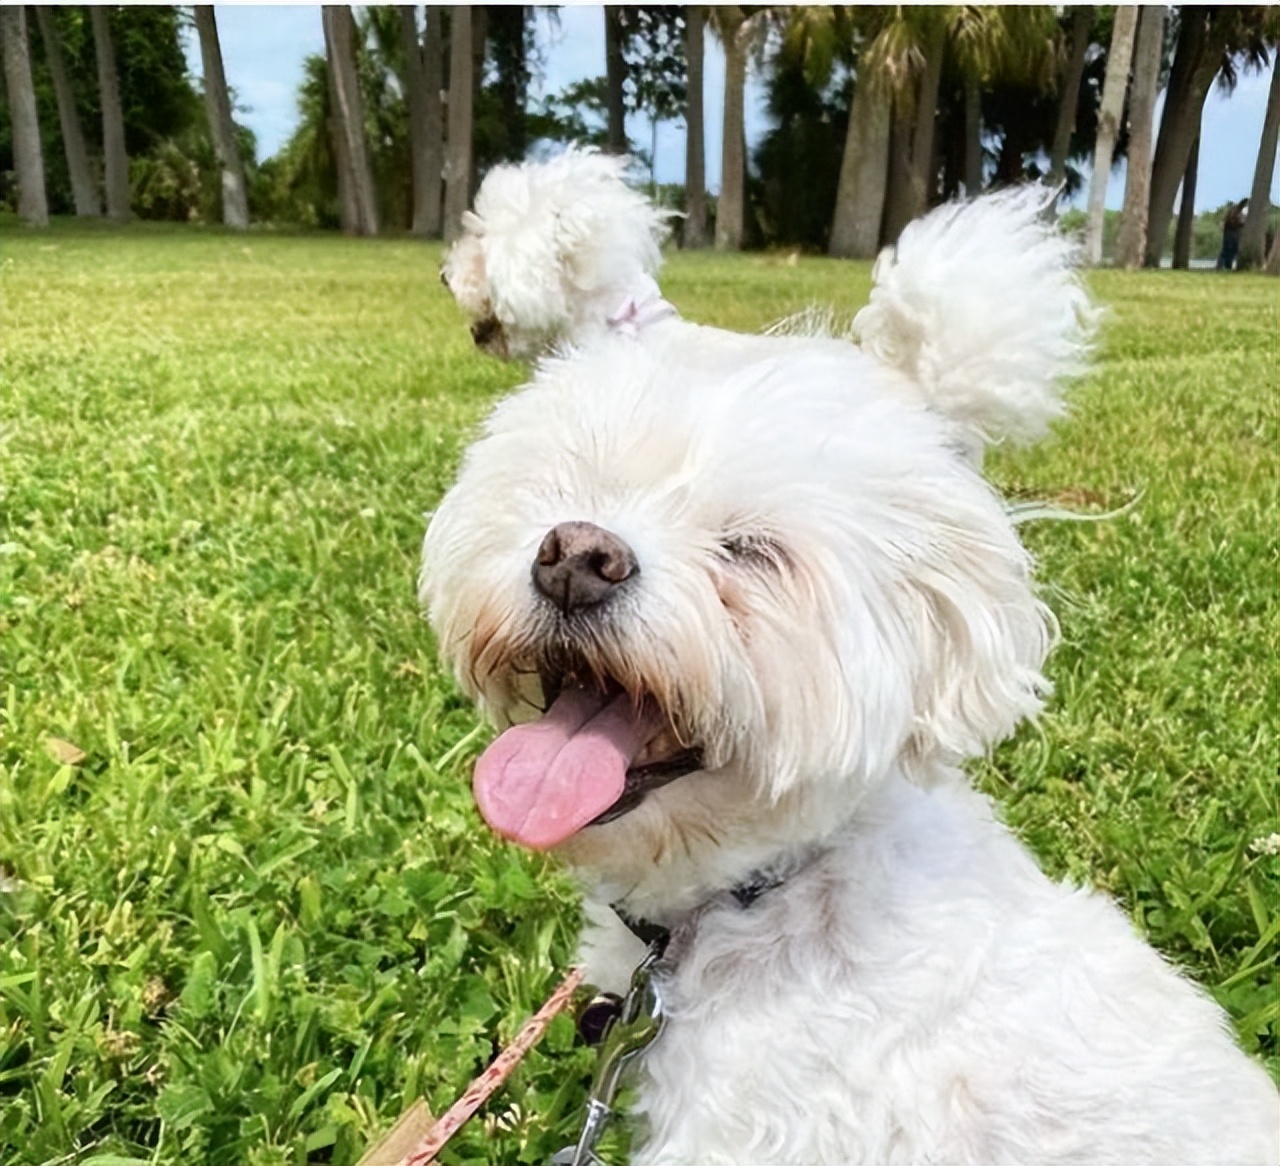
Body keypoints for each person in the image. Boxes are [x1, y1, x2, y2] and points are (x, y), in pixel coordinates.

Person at [1217, 199, 1248, 270]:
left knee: (1231, 251)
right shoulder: (1235, 212)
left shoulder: (1238, 213)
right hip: (1231, 234)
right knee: (1227, 251)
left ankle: (1226, 266)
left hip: (1233, 234)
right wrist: (1242, 224)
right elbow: (1234, 222)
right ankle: (1222, 266)